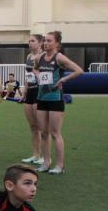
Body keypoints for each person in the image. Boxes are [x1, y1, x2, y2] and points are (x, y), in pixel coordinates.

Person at [35, 30, 83, 174]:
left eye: (49, 40)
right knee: (43, 133)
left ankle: (60, 165)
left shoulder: (59, 57)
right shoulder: (40, 57)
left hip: (55, 99)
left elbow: (79, 70)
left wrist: (64, 79)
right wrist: (38, 76)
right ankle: (46, 163)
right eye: (44, 40)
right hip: (41, 98)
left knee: (55, 133)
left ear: (57, 43)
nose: (45, 43)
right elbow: (35, 69)